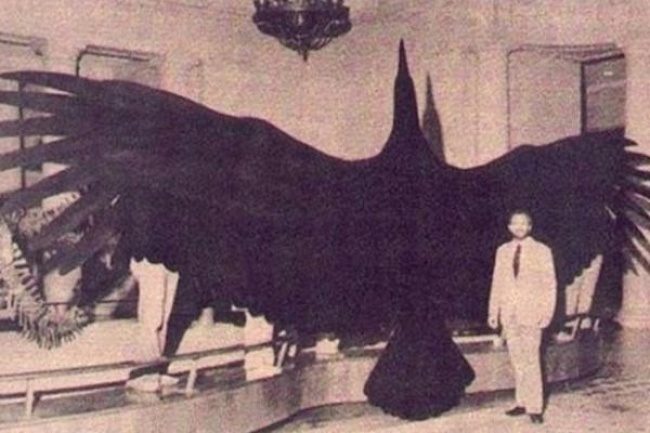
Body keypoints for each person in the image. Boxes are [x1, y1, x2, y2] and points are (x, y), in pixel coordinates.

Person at [487, 210, 557, 425]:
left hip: (532, 314)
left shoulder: (542, 251)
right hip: (509, 314)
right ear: (509, 227)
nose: (519, 227)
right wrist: (493, 312)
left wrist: (547, 313)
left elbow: (550, 285)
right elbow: (497, 282)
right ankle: (521, 402)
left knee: (532, 360)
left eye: (523, 223)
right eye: (515, 223)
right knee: (517, 361)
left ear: (530, 226)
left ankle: (535, 408)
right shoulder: (502, 251)